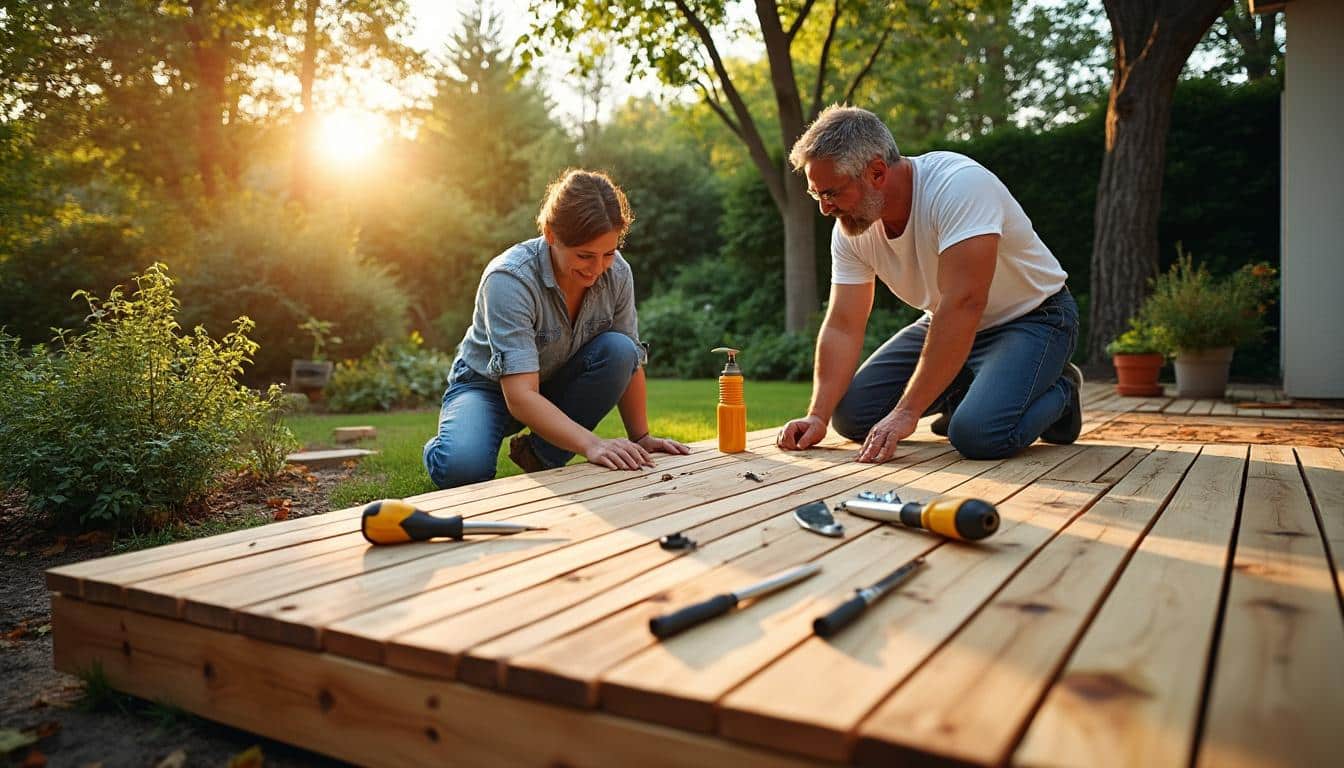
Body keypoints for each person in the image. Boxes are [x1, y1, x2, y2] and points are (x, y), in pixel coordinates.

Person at [777, 105, 1083, 462]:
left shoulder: (959, 186)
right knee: (853, 417)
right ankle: (971, 392)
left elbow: (964, 303)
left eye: (831, 193)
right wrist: (817, 415)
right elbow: (844, 324)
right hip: (945, 320)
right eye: (817, 195)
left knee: (977, 435)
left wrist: (905, 413)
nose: (825, 209)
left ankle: (1062, 389)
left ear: (877, 172)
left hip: (1034, 319)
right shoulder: (852, 227)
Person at [423, 169, 689, 489]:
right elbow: (521, 396)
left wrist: (641, 437)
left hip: (556, 381)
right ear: (551, 234)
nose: (598, 268)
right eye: (585, 256)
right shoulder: (509, 279)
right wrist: (592, 444)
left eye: (608, 253)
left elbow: (628, 361)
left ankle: (540, 455)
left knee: (620, 349)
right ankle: (445, 444)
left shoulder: (617, 272)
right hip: (488, 387)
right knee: (463, 469)